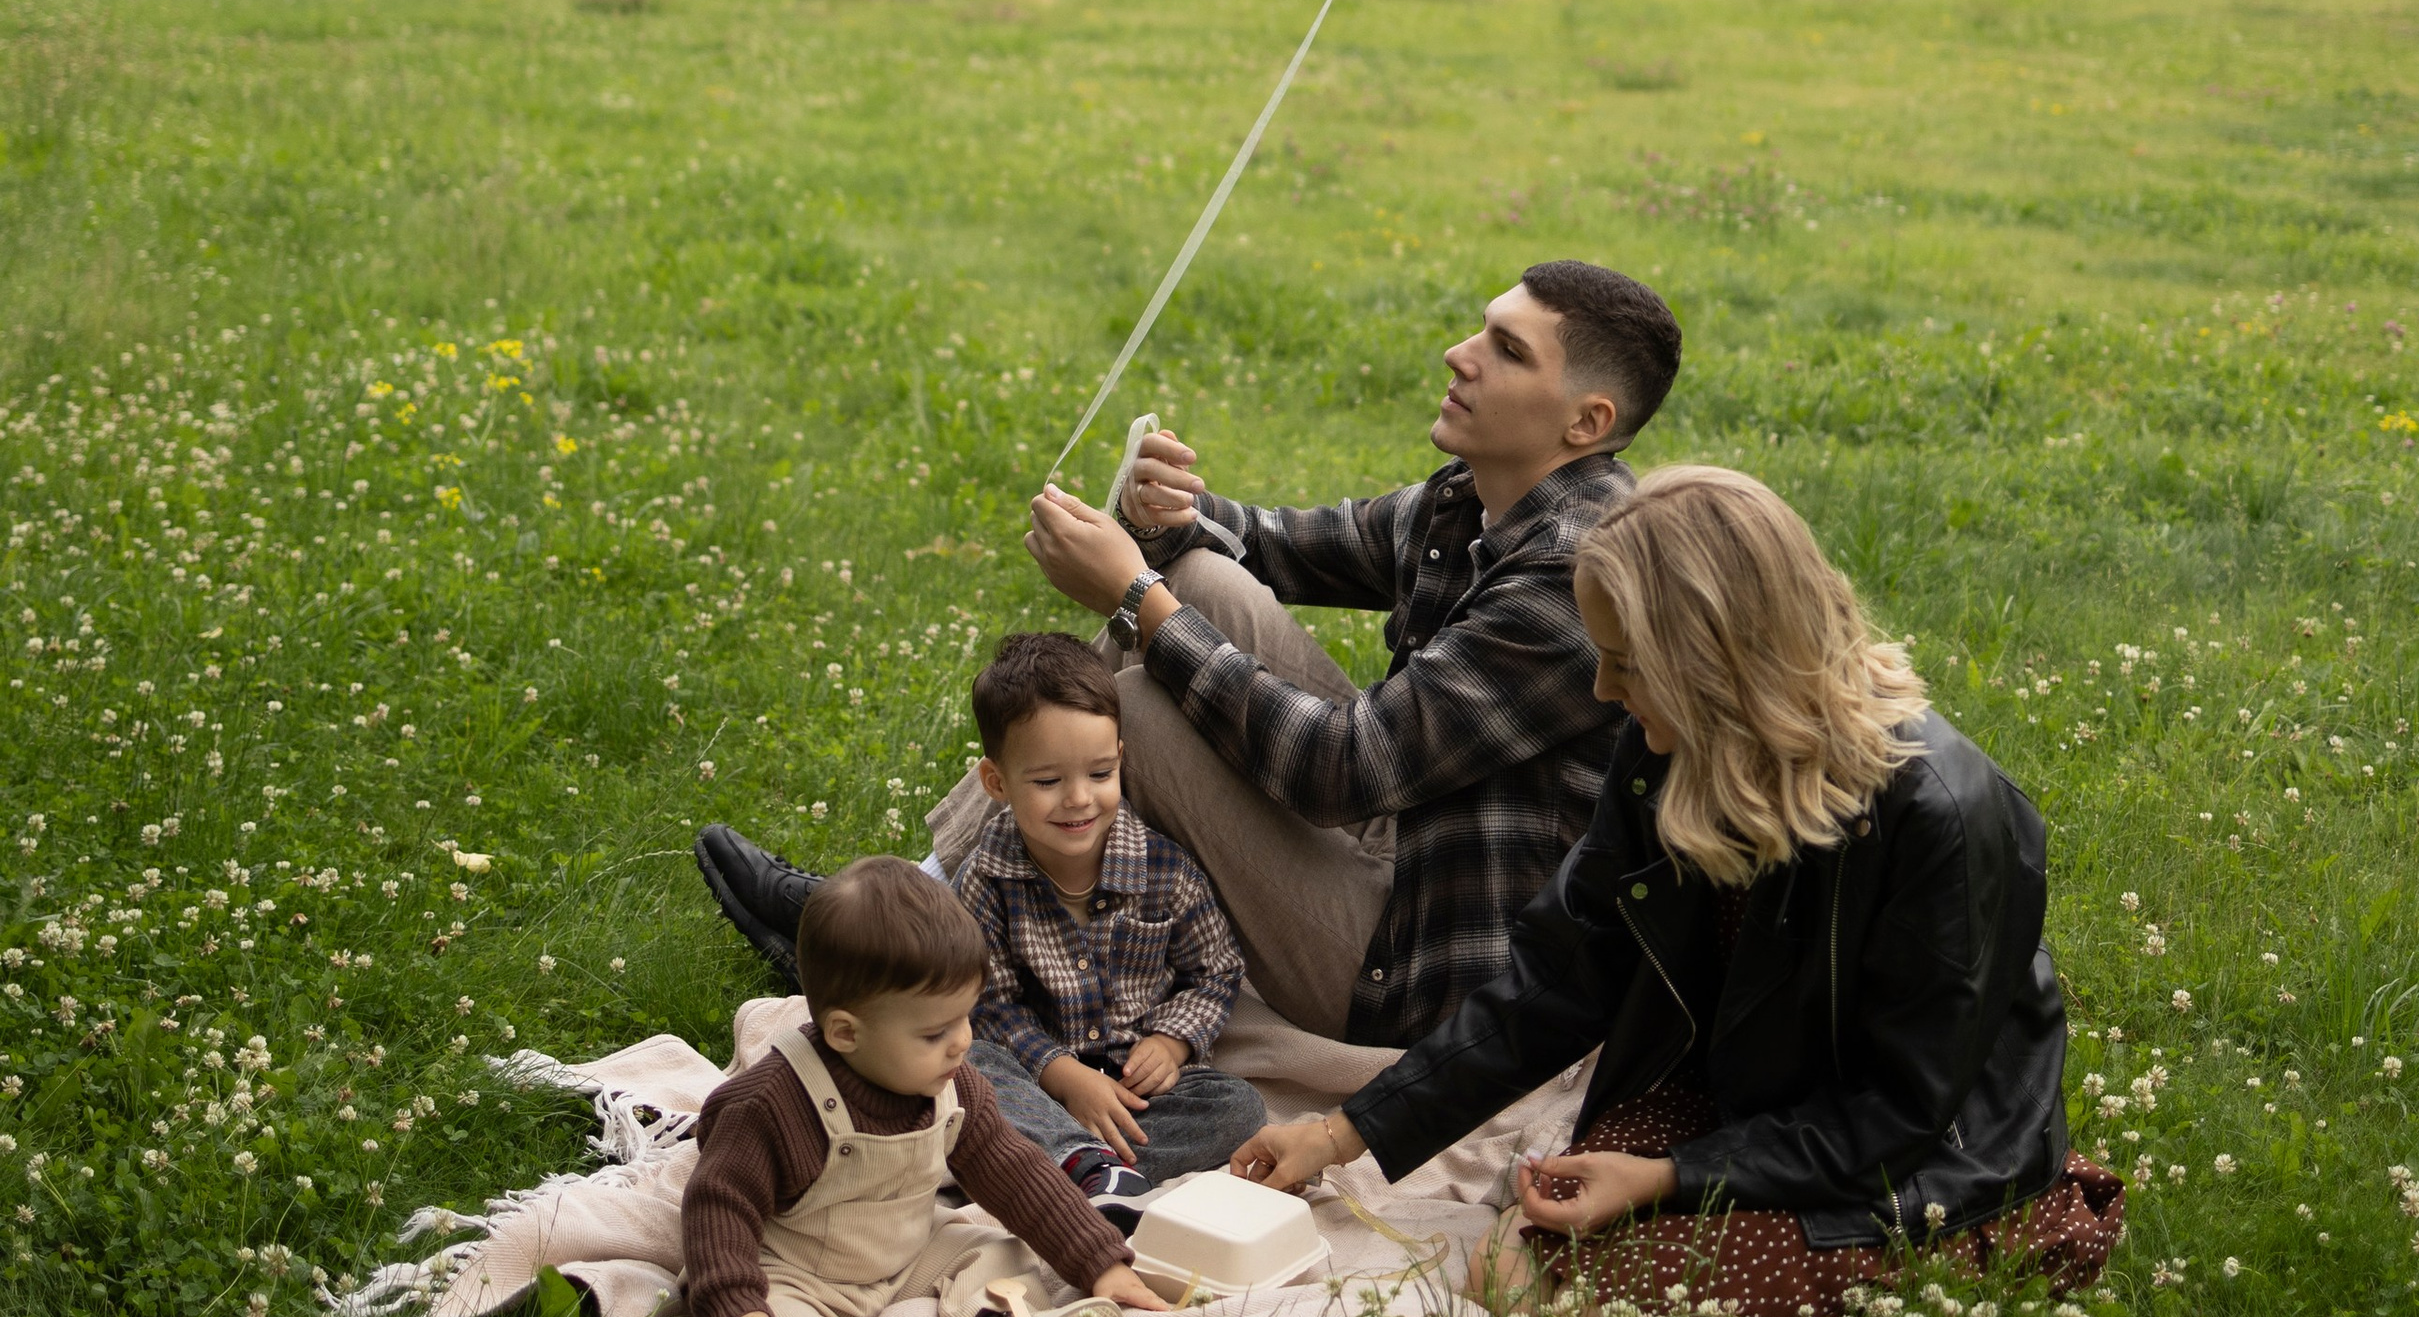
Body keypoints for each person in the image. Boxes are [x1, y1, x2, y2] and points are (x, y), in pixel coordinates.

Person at [696, 261, 1679, 1048]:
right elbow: (1280, 544)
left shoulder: (1569, 576)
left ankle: (890, 938)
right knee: (1204, 588)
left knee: (1148, 706)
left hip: (1424, 971)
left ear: (1585, 421)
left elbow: (1345, 768)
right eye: (1480, 327)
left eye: (1504, 350)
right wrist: (1172, 516)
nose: (1458, 353)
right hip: (1400, 846)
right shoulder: (1468, 495)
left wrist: (1133, 589)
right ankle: (912, 908)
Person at [1232, 467, 2124, 1317]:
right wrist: (1345, 1134)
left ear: (1721, 664)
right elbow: (1559, 980)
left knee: (1571, 1293)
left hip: (1910, 1163)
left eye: (1628, 663)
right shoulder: (1666, 753)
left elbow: (1900, 1116)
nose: (1603, 690)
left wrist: (1669, 1177)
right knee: (1513, 1260)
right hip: (1740, 1101)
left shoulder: (1943, 817)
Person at [680, 857, 1168, 1317]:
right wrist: (736, 1303)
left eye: (965, 1017)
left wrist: (1099, 1262)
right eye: (935, 1033)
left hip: (910, 1257)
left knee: (1003, 1254)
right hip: (799, 1276)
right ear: (846, 1033)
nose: (962, 1042)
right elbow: (718, 1204)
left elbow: (1017, 1174)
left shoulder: (954, 1088)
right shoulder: (773, 1104)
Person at [950, 632, 1269, 1216]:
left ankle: (1057, 1167)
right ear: (996, 782)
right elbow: (986, 1007)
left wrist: (1172, 1042)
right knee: (965, 1067)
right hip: (1039, 1074)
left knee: (1238, 1106)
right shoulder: (985, 881)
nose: (1078, 799)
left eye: (1099, 774)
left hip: (1135, 1088)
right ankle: (1077, 1160)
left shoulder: (1164, 870)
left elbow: (1217, 971)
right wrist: (1063, 1075)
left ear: (1120, 758)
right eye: (1047, 782)